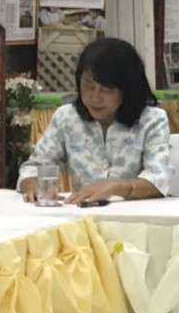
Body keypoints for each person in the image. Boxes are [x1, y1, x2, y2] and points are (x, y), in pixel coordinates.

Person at [19, 37, 171, 204]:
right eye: (88, 85)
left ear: (128, 89)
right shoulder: (67, 117)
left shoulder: (152, 120)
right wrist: (31, 183)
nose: (95, 97)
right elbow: (35, 166)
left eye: (106, 89)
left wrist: (118, 188)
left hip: (137, 215)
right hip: (82, 214)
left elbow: (158, 179)